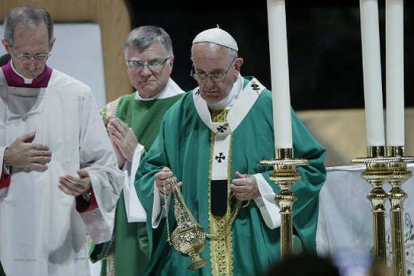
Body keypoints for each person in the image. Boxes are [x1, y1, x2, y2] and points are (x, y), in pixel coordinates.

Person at [135, 27, 327, 276]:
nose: (207, 84)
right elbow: (149, 171)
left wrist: (262, 186)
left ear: (236, 66)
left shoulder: (268, 107)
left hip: (255, 245)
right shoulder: (180, 113)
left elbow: (311, 165)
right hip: (196, 251)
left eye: (216, 74)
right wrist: (158, 185)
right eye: (200, 73)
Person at [0, 5, 123, 276]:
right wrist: (5, 158)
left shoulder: (76, 95)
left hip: (60, 239)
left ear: (52, 43)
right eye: (24, 55)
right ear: (6, 44)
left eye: (41, 54)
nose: (33, 64)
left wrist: (88, 184)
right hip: (4, 235)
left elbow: (107, 169)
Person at [90, 26, 184, 276]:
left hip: (171, 234)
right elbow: (93, 177)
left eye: (154, 62)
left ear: (170, 63)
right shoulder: (113, 112)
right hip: (123, 235)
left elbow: (192, 174)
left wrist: (137, 154)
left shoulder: (189, 110)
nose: (145, 72)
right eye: (136, 64)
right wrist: (114, 164)